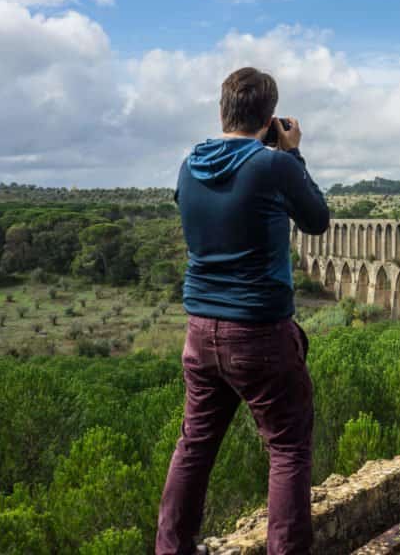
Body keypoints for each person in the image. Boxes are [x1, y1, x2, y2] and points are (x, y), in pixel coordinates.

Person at [156, 67, 329, 555]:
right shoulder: (274, 165)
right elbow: (317, 219)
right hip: (259, 334)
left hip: (199, 332)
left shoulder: (188, 165)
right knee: (288, 448)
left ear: (221, 111)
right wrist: (291, 152)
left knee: (194, 447)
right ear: (270, 118)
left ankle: (171, 549)